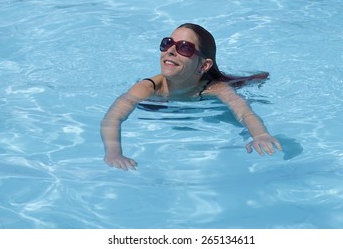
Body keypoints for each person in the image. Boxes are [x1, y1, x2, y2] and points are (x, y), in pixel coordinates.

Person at [101, 23, 282, 171]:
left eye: (184, 48)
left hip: (204, 102)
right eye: (167, 43)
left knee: (229, 119)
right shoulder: (147, 88)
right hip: (163, 105)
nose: (170, 50)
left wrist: (260, 135)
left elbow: (244, 113)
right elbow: (113, 118)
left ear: (204, 66)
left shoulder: (215, 89)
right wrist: (113, 153)